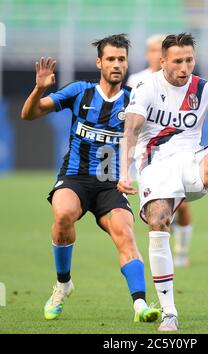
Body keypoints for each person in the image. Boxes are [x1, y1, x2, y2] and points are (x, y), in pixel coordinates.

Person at [117, 33, 208, 331]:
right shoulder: (146, 86)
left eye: (189, 60)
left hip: (189, 157)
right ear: (163, 62)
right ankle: (169, 311)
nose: (185, 67)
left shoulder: (204, 89)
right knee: (158, 223)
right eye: (178, 61)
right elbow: (131, 130)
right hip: (155, 163)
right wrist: (123, 172)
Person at [21, 34, 160, 323]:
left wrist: (132, 176)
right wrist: (38, 89)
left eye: (121, 59)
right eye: (111, 59)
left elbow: (146, 143)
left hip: (111, 185)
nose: (116, 64)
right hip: (75, 178)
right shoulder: (79, 92)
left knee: (126, 234)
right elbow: (28, 115)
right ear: (99, 62)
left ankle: (140, 306)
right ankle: (63, 285)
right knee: (62, 216)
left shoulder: (134, 100)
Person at [127, 34, 193, 268]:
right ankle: (163, 245)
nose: (157, 55)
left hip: (174, 151)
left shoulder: (182, 82)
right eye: (153, 50)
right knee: (157, 210)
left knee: (182, 205)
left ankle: (182, 252)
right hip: (147, 154)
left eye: (160, 50)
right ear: (149, 55)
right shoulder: (137, 80)